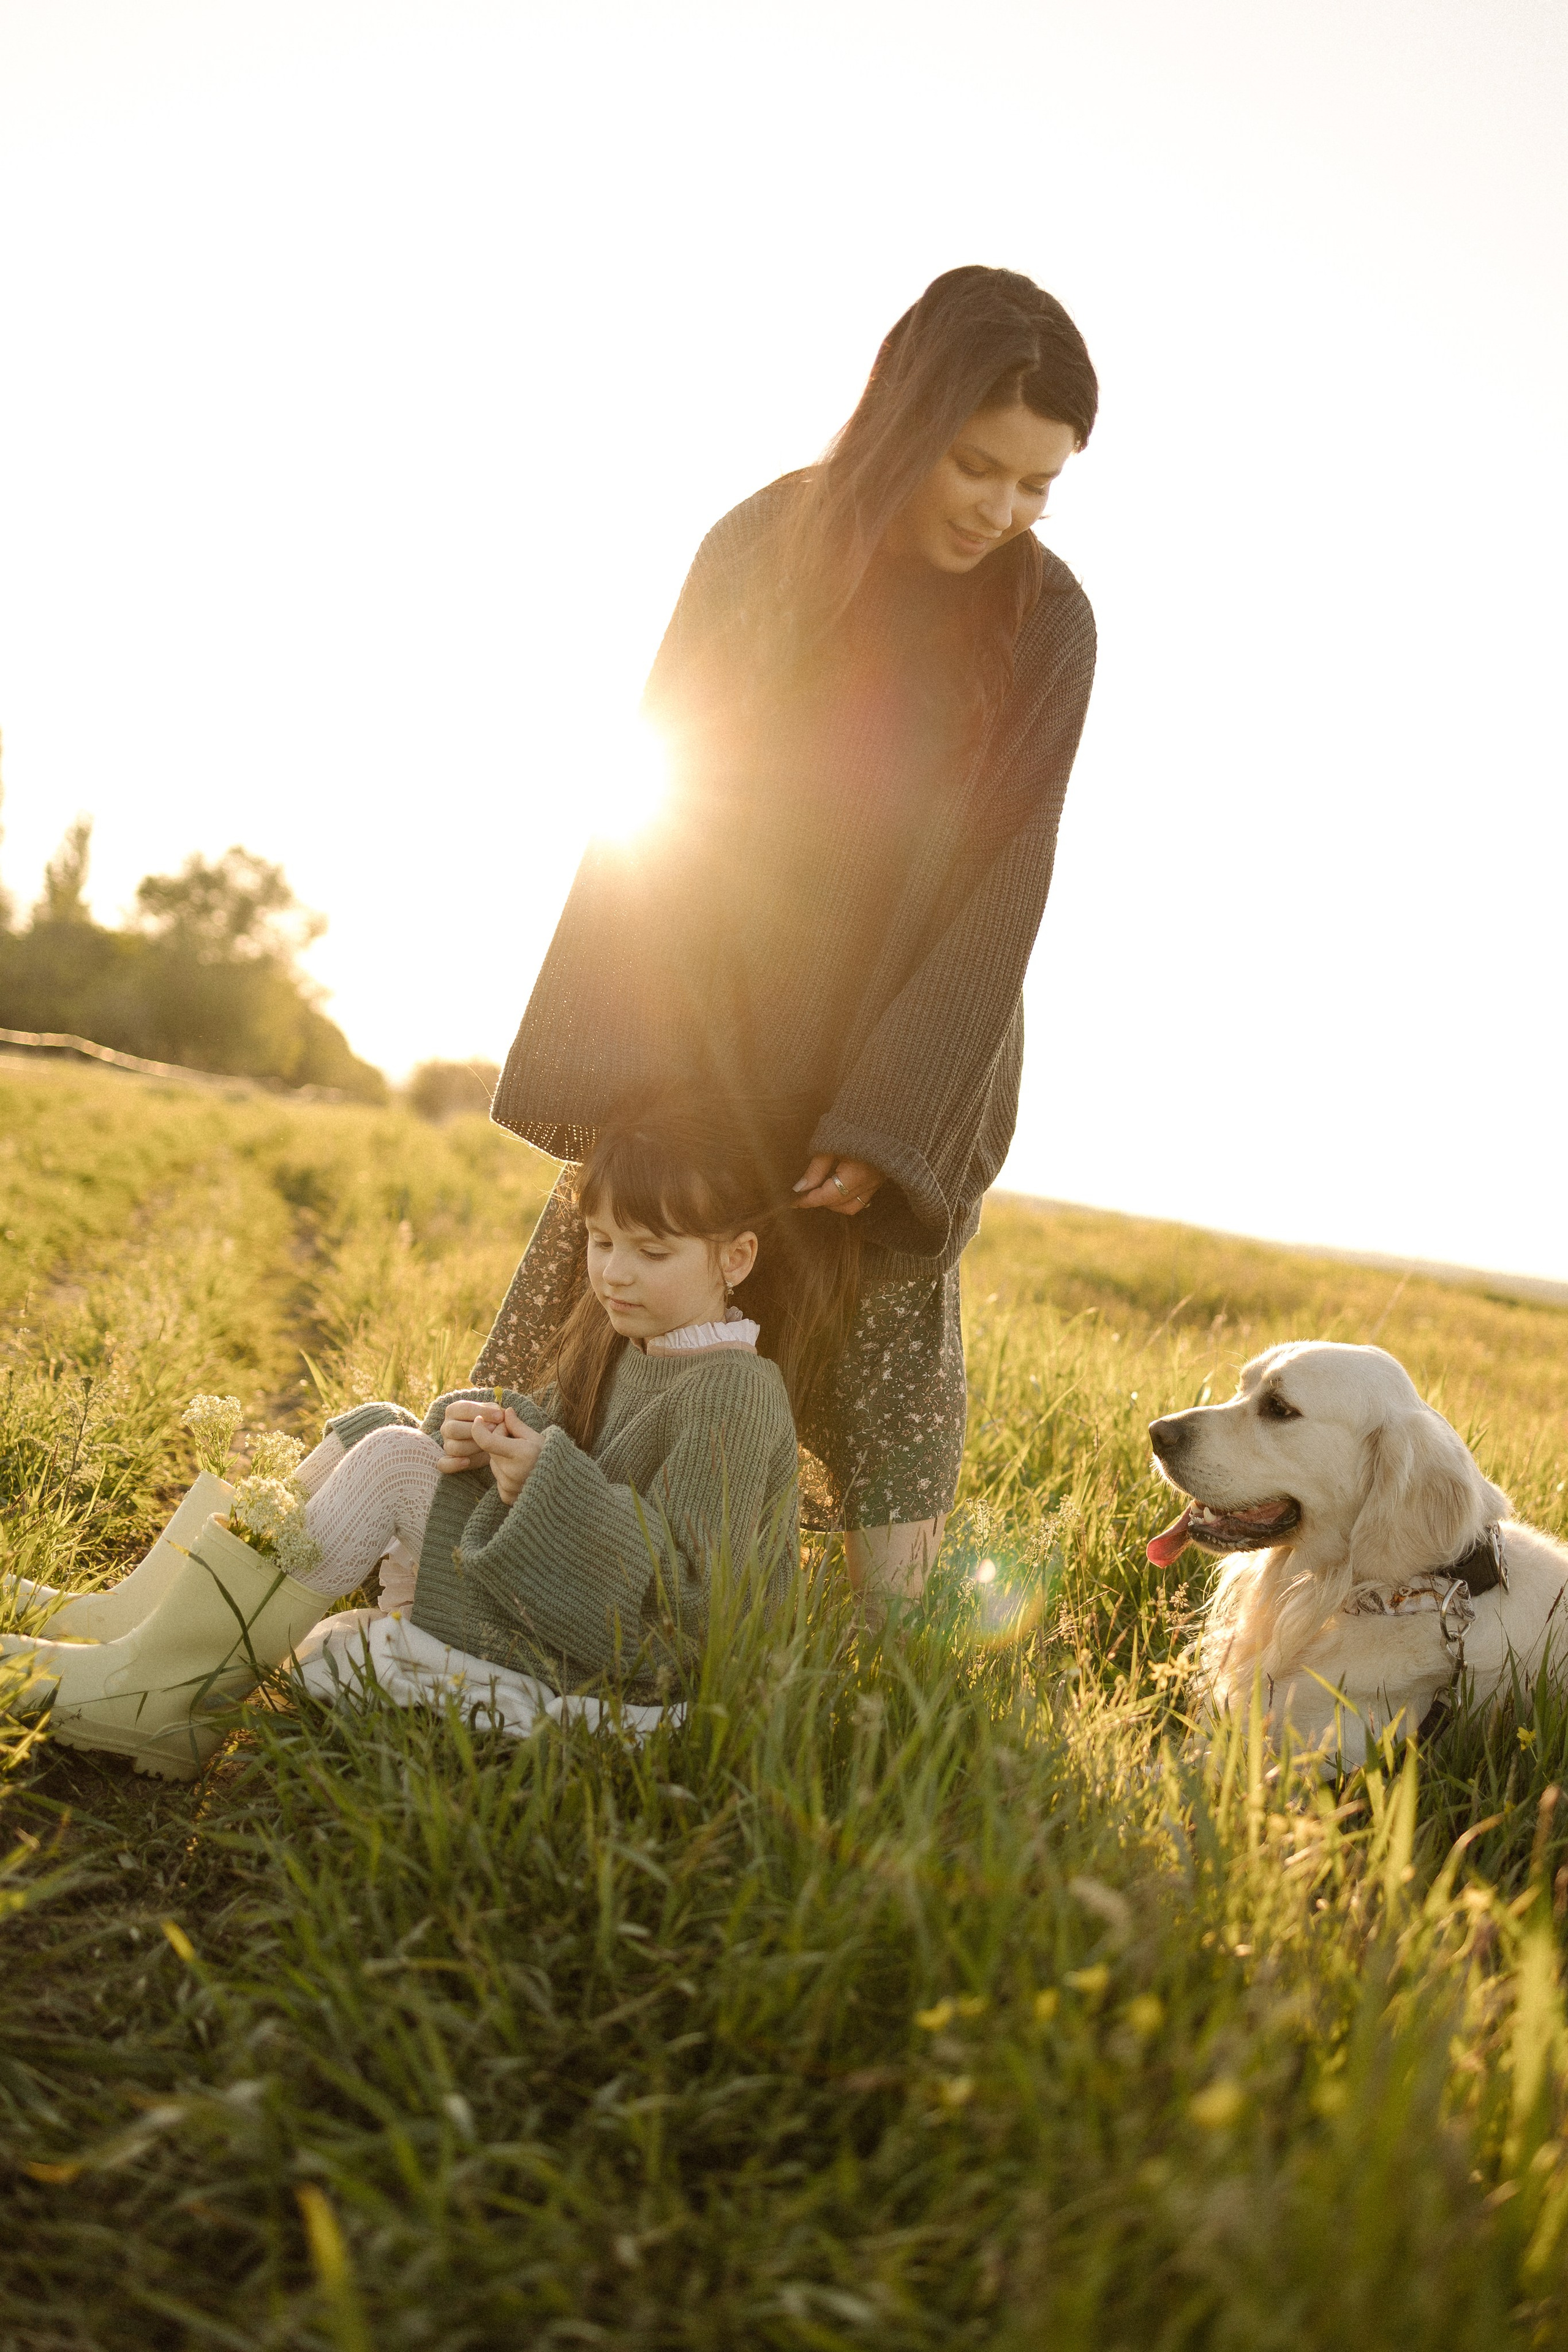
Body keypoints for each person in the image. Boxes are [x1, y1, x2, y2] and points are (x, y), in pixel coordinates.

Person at [473, 265, 1099, 1605]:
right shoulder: (759, 546)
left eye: (1038, 485)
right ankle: (462, 1559)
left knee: (883, 1352)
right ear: (904, 419)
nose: (1001, 509)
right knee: (594, 1310)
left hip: (910, 1045)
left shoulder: (1049, 621)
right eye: (976, 465)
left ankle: (889, 1654)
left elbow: (1007, 884)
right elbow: (663, 797)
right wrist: (638, 1063)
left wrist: (891, 1119)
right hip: (706, 1030)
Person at [286, 1107, 853, 1701]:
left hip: (624, 1660)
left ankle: (229, 1649)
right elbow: (557, 1435)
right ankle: (244, 1548)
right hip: (565, 1596)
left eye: (652, 1253)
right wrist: (490, 1436)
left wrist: (545, 1480)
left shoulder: (733, 1392)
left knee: (391, 1461)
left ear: (735, 1259)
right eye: (600, 1241)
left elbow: (691, 1606)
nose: (613, 1273)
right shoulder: (627, 1341)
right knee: (378, 1425)